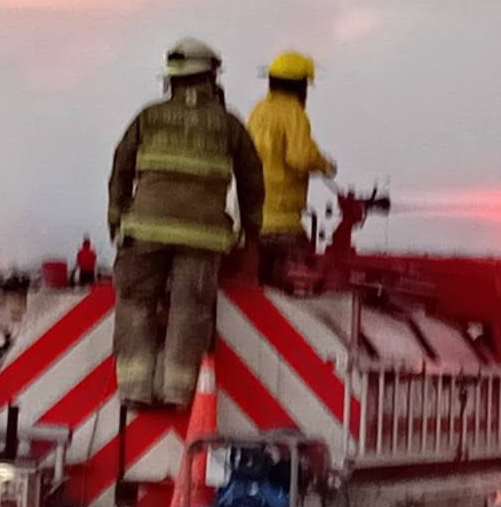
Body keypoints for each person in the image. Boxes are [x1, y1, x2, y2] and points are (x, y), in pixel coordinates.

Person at [107, 38, 264, 407]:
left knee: (135, 303)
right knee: (189, 309)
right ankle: (178, 390)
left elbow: (121, 167)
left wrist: (117, 218)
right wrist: (251, 232)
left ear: (172, 81)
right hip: (204, 238)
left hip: (144, 231)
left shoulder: (148, 118)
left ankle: (134, 389)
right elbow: (252, 180)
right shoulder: (228, 126)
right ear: (211, 79)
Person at [246, 51, 335, 269]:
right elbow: (300, 157)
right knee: (306, 282)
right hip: (283, 224)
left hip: (252, 218)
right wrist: (325, 165)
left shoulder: (259, 111)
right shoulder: (294, 114)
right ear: (301, 86)